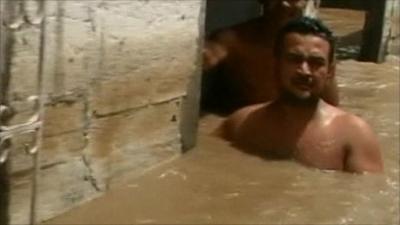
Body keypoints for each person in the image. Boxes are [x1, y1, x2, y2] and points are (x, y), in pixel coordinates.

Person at [216, 17, 383, 173]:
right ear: (276, 64)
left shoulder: (354, 137)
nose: (304, 71)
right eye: (294, 59)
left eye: (316, 63)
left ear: (330, 72)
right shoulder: (241, 124)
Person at [202, 0, 339, 113]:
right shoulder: (235, 41)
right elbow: (210, 52)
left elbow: (332, 111)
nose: (284, 3)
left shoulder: (318, 50)